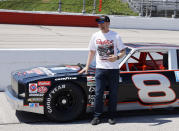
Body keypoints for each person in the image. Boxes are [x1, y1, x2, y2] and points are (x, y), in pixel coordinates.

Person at [79, 15, 126, 125]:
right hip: (100, 69)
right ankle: (96, 117)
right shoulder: (95, 35)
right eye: (98, 23)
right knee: (98, 93)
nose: (100, 24)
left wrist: (117, 57)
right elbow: (91, 52)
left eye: (102, 22)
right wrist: (87, 66)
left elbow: (123, 51)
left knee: (113, 94)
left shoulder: (115, 35)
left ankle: (112, 116)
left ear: (108, 23)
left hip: (113, 69)